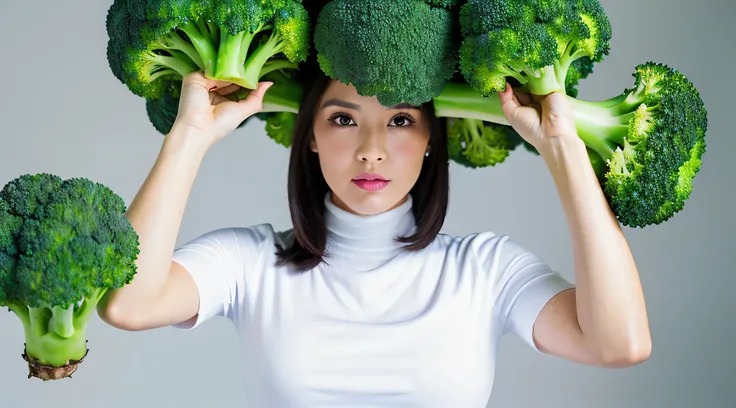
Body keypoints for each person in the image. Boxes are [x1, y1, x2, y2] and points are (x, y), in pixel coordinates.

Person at [98, 61, 652, 407]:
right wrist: (190, 135)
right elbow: (128, 303)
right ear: (309, 136)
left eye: (401, 119)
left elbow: (618, 343)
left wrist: (563, 149)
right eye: (342, 119)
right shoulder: (251, 261)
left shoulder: (486, 270)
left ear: (432, 136)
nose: (371, 148)